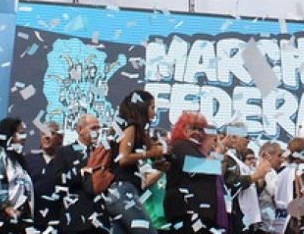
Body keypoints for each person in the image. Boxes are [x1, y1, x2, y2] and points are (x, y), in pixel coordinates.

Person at [105, 90, 163, 234]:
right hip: (123, 192)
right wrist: (152, 153)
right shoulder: (131, 126)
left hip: (119, 193)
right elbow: (123, 158)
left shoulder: (136, 130)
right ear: (142, 108)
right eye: (152, 108)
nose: (154, 112)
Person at [164, 112, 228, 233]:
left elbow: (214, 169)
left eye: (200, 129)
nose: (197, 132)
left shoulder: (199, 151)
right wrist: (219, 151)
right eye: (193, 128)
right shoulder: (180, 145)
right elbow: (200, 168)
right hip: (186, 210)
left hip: (202, 212)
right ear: (182, 128)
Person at [50, 114, 109, 234]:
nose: (97, 132)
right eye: (93, 128)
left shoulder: (102, 153)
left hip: (100, 220)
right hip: (75, 220)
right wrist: (81, 173)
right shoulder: (64, 152)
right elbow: (58, 180)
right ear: (80, 129)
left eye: (99, 128)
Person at [0, 117, 35, 233]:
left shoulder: (17, 158)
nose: (24, 137)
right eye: (20, 133)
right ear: (10, 135)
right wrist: (5, 207)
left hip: (15, 216)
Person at [221, 122, 272, 232]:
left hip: (248, 218)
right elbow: (232, 184)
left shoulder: (239, 162)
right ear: (234, 138)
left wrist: (261, 173)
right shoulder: (227, 159)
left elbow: (252, 190)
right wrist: (255, 175)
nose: (249, 141)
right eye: (246, 137)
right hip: (236, 218)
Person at [25, 121, 63, 232]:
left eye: (51, 133)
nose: (46, 137)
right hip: (32, 222)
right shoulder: (28, 160)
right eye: (43, 133)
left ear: (60, 138)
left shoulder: (66, 161)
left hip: (58, 222)